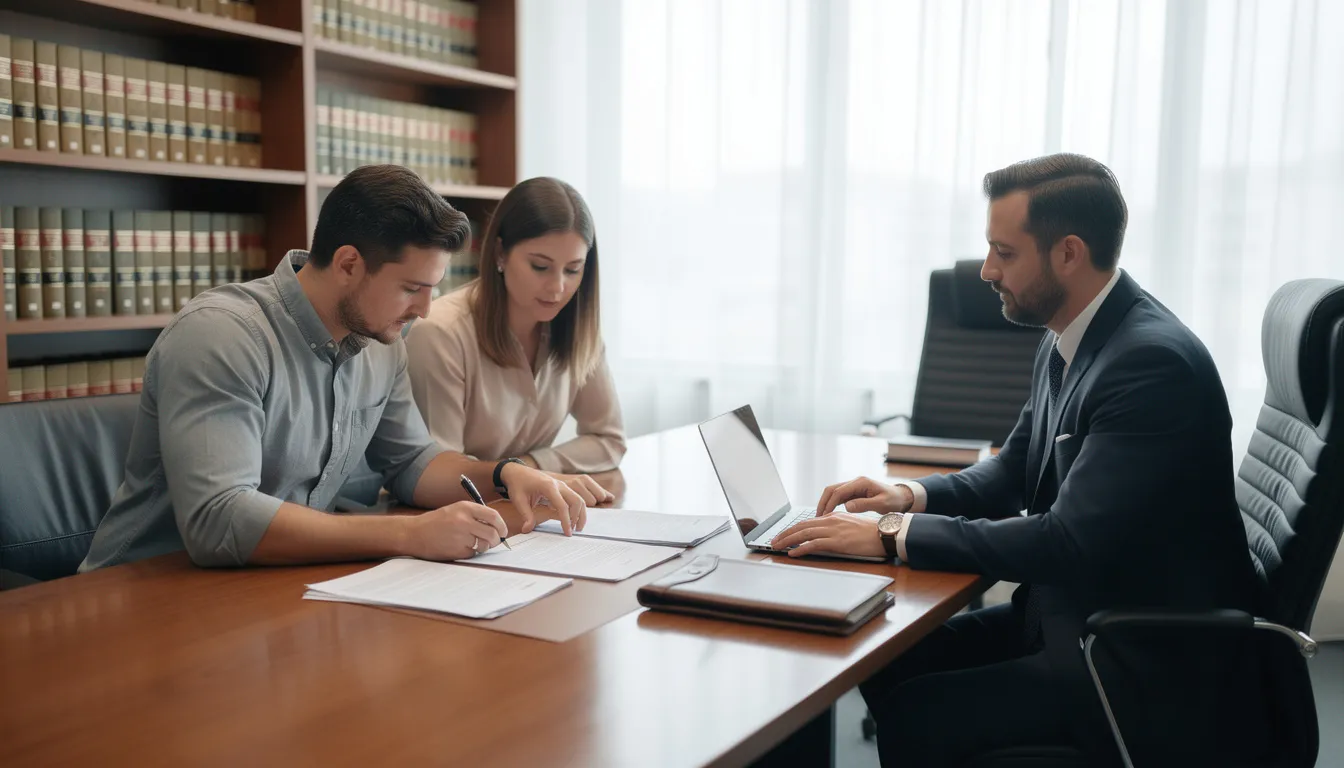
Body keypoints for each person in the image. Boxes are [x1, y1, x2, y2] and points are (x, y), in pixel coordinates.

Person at [771, 154, 1266, 765]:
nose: (986, 271)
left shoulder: (1148, 365)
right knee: (883, 657)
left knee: (916, 713)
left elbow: (1066, 542)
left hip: (1133, 662)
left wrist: (892, 536)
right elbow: (1012, 470)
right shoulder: (1071, 336)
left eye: (1004, 253)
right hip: (1069, 618)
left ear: (1068, 254)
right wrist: (909, 498)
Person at [79, 165, 589, 572]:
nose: (425, 310)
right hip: (144, 592)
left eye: (433, 288)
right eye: (412, 288)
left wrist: (505, 474)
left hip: (267, 586)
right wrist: (409, 534)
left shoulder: (381, 339)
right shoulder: (221, 334)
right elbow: (220, 520)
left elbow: (414, 463)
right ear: (348, 264)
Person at [405, 177, 624, 506]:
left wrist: (530, 468)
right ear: (500, 253)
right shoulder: (441, 333)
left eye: (573, 269)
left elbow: (608, 440)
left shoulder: (579, 331)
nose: (557, 288)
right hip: (442, 518)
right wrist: (521, 475)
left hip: (518, 511)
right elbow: (441, 473)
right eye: (540, 267)